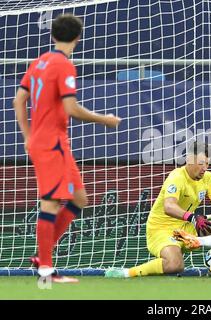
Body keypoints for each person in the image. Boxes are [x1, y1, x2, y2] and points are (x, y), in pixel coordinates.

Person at [13, 14, 121, 283]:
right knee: (50, 202)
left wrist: (28, 135)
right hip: (51, 143)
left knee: (79, 198)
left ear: (53, 36)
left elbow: (18, 100)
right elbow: (71, 108)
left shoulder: (39, 62)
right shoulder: (64, 65)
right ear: (77, 38)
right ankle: (46, 270)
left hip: (51, 141)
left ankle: (43, 256)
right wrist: (103, 119)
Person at [105, 141, 211, 278]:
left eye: (207, 163)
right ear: (189, 160)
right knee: (175, 264)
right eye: (201, 163)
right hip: (161, 229)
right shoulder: (176, 177)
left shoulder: (208, 178)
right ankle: (127, 273)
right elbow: (169, 206)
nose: (204, 168)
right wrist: (193, 217)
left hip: (187, 227)